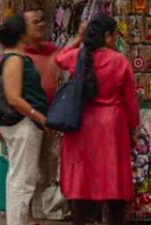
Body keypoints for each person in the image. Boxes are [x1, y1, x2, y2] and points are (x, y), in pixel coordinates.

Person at [55, 15, 138, 225]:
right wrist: (133, 130)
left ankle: (80, 220)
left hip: (81, 123)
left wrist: (78, 38)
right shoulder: (120, 61)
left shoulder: (78, 56)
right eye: (114, 35)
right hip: (112, 126)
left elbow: (59, 58)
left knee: (80, 179)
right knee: (113, 178)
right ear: (107, 36)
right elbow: (131, 102)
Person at [0, 15, 49, 225]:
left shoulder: (13, 57)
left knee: (19, 180)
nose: (37, 28)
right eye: (31, 26)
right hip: (23, 125)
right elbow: (13, 97)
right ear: (21, 34)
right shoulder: (15, 60)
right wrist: (38, 116)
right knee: (21, 182)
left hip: (21, 125)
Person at [23, 10, 67, 222]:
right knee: (27, 169)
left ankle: (40, 209)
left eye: (41, 20)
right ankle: (27, 213)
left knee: (45, 166)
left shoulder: (52, 51)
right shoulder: (18, 55)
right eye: (34, 22)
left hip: (48, 118)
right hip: (26, 119)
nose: (40, 25)